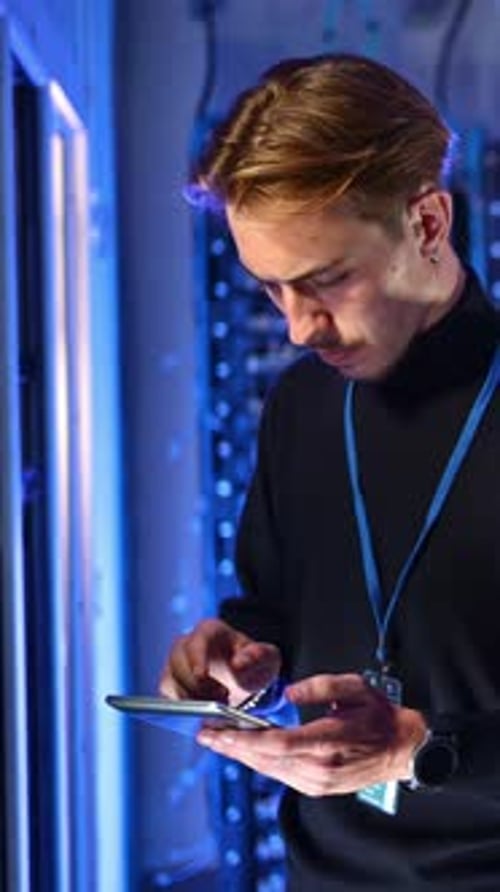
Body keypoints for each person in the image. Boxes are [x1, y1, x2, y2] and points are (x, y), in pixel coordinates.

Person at [160, 53, 500, 890]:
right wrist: (239, 661)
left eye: (326, 280)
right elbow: (269, 613)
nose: (299, 329)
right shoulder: (300, 409)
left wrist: (426, 750)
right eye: (271, 290)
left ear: (427, 223)